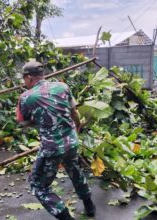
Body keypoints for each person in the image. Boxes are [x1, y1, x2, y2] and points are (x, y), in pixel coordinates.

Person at [16, 61, 95, 220]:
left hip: (52, 148)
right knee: (74, 170)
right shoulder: (62, 87)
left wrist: (38, 119)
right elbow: (74, 113)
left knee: (38, 185)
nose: (24, 82)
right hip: (71, 141)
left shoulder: (26, 97)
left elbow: (22, 122)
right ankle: (89, 206)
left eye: (24, 79)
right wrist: (76, 129)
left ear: (29, 77)